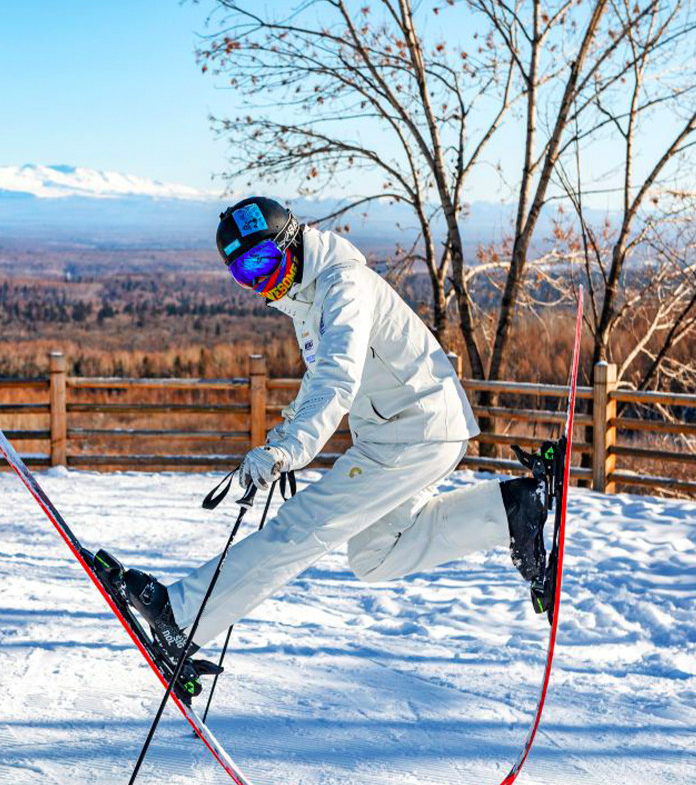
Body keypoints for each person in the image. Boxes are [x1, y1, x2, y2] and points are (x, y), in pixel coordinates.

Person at [120, 197, 548, 667]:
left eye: (261, 262)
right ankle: (510, 510)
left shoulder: (343, 286)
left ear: (289, 242)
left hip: (415, 429)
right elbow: (318, 377)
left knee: (299, 528)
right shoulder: (309, 298)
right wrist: (282, 436)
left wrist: (290, 450)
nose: (258, 281)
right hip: (403, 430)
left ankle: (180, 618)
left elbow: (337, 376)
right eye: (243, 273)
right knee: (374, 556)